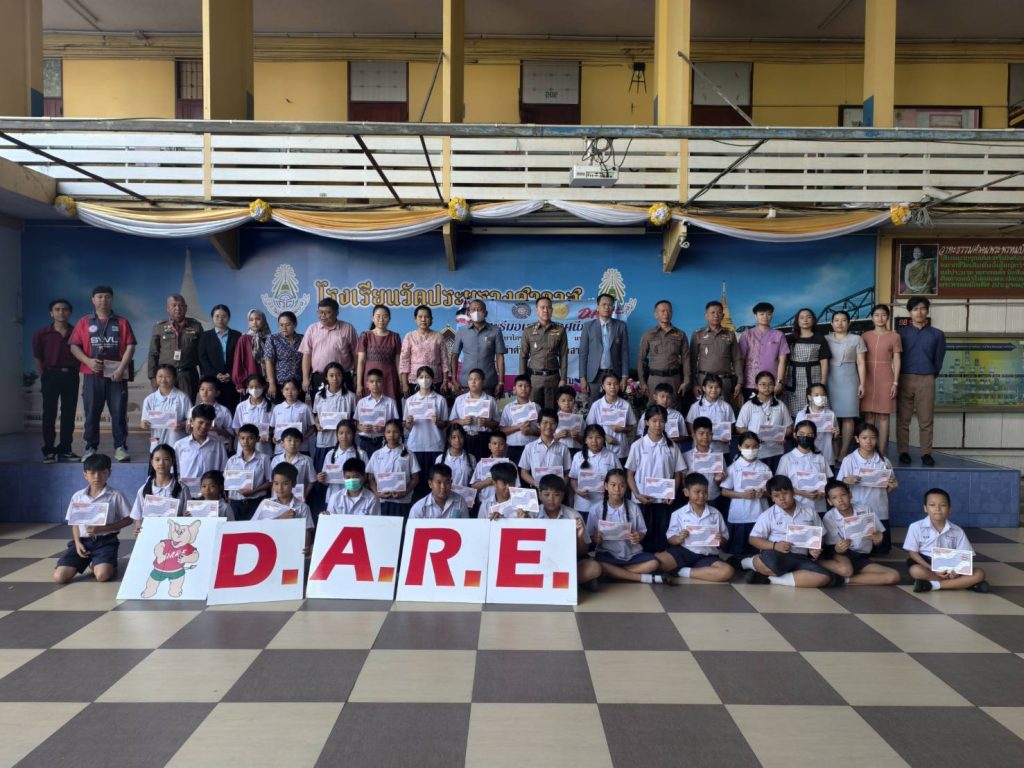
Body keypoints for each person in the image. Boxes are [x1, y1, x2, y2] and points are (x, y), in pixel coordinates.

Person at [69, 286, 137, 464]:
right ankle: (90, 447)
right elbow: (74, 346)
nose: (103, 300)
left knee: (119, 413)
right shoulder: (84, 322)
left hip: (117, 376)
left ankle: (120, 447)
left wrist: (121, 368)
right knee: (91, 413)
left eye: (107, 297)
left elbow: (130, 346)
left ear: (112, 299)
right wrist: (88, 361)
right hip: (92, 375)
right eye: (99, 297)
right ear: (93, 300)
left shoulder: (121, 322)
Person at [737, 475, 841, 588]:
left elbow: (821, 536)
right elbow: (753, 539)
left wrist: (815, 548)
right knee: (771, 563)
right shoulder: (768, 515)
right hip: (776, 555)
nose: (782, 498)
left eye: (785, 493)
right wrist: (775, 546)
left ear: (793, 492)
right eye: (776, 496)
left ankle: (770, 579)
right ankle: (749, 562)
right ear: (772, 498)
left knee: (824, 577)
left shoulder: (809, 511)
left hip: (801, 557)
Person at [53, 453, 132, 584]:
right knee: (59, 577)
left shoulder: (115, 495)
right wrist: (77, 543)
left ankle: (105, 563)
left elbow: (129, 519)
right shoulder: (78, 496)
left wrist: (102, 529)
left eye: (102, 472)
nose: (97, 476)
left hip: (106, 541)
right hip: (83, 542)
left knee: (102, 576)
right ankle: (92, 561)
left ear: (109, 473)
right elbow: (75, 524)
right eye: (92, 472)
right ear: (85, 475)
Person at [587, 468, 670, 584]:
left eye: (621, 485)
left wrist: (638, 536)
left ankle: (613, 573)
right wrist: (595, 539)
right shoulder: (595, 510)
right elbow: (589, 537)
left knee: (654, 563)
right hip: (608, 554)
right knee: (598, 564)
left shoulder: (633, 508)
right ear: (606, 486)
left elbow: (642, 531)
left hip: (631, 554)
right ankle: (640, 577)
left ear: (626, 487)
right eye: (613, 485)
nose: (617, 489)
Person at [625, 404, 687, 553]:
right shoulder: (637, 445)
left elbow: (677, 474)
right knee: (643, 536)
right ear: (647, 422)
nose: (658, 425)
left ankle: (661, 562)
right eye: (654, 421)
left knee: (661, 535)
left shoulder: (672, 446)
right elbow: (629, 474)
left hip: (663, 501)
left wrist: (672, 493)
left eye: (662, 421)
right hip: (642, 499)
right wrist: (637, 495)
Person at [905, 488, 989, 593]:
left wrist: (957, 571)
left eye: (943, 505)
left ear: (950, 509)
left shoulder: (957, 531)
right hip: (926, 563)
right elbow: (912, 553)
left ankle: (932, 585)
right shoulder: (915, 527)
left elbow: (965, 555)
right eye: (932, 505)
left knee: (980, 573)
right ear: (925, 508)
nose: (937, 509)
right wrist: (931, 568)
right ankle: (963, 584)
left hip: (951, 565)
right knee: (916, 571)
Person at [656, 473, 734, 582]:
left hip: (707, 555)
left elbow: (725, 539)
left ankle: (681, 571)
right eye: (697, 492)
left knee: (726, 571)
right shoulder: (678, 514)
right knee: (654, 563)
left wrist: (721, 539)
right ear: (686, 492)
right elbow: (670, 538)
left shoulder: (715, 513)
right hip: (684, 552)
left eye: (705, 492)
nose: (701, 495)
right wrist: (679, 538)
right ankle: (698, 571)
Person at [821, 479, 900, 586]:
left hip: (861, 556)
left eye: (843, 495)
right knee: (846, 570)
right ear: (829, 501)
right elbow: (831, 547)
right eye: (834, 498)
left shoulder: (865, 510)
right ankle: (817, 563)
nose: (840, 500)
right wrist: (838, 548)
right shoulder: (829, 517)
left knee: (894, 576)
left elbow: (877, 536)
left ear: (850, 495)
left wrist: (878, 540)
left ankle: (843, 580)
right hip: (841, 555)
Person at [897, 296, 946, 466]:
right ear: (909, 312)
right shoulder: (900, 334)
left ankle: (926, 453)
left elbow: (939, 359)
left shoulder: (937, 334)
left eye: (923, 308)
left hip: (927, 378)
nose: (919, 312)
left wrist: (931, 375)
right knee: (903, 419)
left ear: (927, 311)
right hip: (904, 378)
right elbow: (896, 358)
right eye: (915, 309)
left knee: (926, 419)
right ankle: (903, 451)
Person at [837, 422, 898, 555]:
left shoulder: (884, 461)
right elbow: (838, 486)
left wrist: (892, 486)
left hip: (879, 509)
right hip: (858, 509)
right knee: (860, 549)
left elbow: (888, 487)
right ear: (857, 439)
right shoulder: (849, 460)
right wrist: (846, 480)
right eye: (864, 438)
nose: (869, 441)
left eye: (873, 438)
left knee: (881, 551)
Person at [535, 474, 603, 591]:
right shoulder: (531, 515)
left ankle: (550, 583)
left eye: (556, 495)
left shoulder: (574, 516)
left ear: (563, 496)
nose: (551, 499)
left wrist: (579, 535)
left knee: (594, 567)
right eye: (547, 495)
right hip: (539, 563)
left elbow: (583, 553)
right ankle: (571, 583)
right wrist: (520, 521)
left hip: (566, 563)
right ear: (540, 495)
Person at [32, 297, 80, 463]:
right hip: (50, 375)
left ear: (70, 313)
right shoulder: (41, 334)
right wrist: (44, 376)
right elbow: (38, 358)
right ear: (51, 313)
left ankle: (65, 449)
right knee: (49, 413)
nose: (61, 312)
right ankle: (49, 450)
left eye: (65, 309)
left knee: (69, 414)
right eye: (57, 309)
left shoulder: (76, 332)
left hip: (71, 376)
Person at [825, 310, 867, 461]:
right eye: (836, 320)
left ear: (849, 323)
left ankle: (844, 452)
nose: (840, 323)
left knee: (849, 416)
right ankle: (834, 451)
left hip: (850, 379)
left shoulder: (857, 339)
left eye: (843, 320)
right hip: (830, 377)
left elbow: (861, 362)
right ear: (831, 323)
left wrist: (862, 383)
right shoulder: (826, 338)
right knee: (832, 417)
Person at [719, 431, 770, 555]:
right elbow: (724, 492)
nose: (751, 450)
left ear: (759, 447)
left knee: (757, 551)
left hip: (760, 514)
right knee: (738, 551)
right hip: (740, 515)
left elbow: (771, 493)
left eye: (754, 446)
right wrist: (742, 495)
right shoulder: (733, 468)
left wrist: (763, 494)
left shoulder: (764, 468)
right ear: (739, 447)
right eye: (747, 446)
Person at [860, 303, 902, 453]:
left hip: (886, 379)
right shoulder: (865, 336)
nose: (880, 318)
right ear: (872, 318)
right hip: (868, 379)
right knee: (869, 415)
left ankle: (882, 453)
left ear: (888, 317)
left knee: (884, 415)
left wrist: (895, 382)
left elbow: (896, 359)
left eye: (883, 315)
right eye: (877, 315)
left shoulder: (894, 336)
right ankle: (868, 450)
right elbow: (860, 359)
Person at [404, 366, 449, 499]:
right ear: (416, 380)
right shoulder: (410, 401)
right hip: (416, 446)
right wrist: (409, 423)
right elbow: (407, 427)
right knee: (418, 484)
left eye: (427, 377)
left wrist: (438, 421)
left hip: (435, 445)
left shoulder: (440, 399)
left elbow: (445, 424)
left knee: (435, 482)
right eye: (421, 377)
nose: (424, 380)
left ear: (433, 379)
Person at [148, 293, 204, 401]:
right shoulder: (159, 327)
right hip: (165, 375)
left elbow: (202, 353)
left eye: (181, 305)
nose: (178, 308)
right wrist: (152, 377)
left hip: (188, 375)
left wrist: (203, 375)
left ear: (186, 308)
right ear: (167, 308)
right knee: (165, 406)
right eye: (174, 305)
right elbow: (153, 353)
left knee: (187, 406)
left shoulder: (196, 326)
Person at [637, 299, 691, 409]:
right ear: (655, 314)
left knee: (673, 409)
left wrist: (686, 381)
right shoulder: (648, 335)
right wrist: (642, 382)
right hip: (654, 379)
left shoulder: (680, 334)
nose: (666, 313)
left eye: (669, 311)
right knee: (653, 410)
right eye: (663, 311)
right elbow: (641, 359)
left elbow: (686, 359)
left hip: (674, 379)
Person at [734, 371, 792, 472]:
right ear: (756, 386)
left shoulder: (781, 405)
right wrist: (755, 437)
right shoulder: (748, 406)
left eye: (770, 384)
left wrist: (782, 435)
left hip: (776, 451)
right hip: (756, 452)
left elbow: (789, 428)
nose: (767, 387)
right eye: (763, 384)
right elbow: (739, 428)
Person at [300, 297, 358, 398]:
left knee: (345, 406)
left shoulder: (348, 328)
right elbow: (307, 355)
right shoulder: (312, 329)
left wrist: (356, 375)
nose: (323, 316)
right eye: (320, 312)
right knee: (319, 406)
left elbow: (356, 354)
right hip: (319, 377)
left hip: (342, 377)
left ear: (336, 313)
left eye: (327, 312)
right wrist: (305, 378)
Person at [578, 293, 630, 407]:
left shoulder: (621, 326)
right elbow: (583, 354)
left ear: (613, 308)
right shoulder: (588, 327)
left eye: (610, 305)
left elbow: (624, 353)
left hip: (614, 374)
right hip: (595, 376)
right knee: (594, 407)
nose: (607, 307)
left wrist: (624, 376)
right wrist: (582, 378)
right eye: (604, 304)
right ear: (598, 307)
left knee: (615, 407)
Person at [519, 296, 569, 410]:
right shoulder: (528, 330)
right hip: (534, 379)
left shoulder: (560, 330)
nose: (546, 310)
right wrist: (522, 380)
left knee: (552, 413)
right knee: (534, 412)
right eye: (542, 307)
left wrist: (563, 379)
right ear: (536, 311)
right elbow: (523, 356)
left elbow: (563, 356)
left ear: (552, 310)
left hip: (553, 379)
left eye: (548, 307)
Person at [253, 462, 313, 555]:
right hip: (268, 550)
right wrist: (280, 519)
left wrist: (306, 546)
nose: (280, 488)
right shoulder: (266, 503)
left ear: (294, 484)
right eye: (276, 483)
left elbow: (307, 531)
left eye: (285, 484)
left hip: (291, 551)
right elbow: (253, 526)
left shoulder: (303, 507)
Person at [776, 420, 833, 514]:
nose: (806, 437)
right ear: (795, 435)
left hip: (818, 507)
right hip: (795, 507)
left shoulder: (820, 458)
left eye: (810, 434)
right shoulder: (786, 458)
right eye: (802, 434)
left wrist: (822, 492)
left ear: (814, 436)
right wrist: (802, 493)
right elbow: (780, 485)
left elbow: (827, 482)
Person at [691, 301, 743, 403]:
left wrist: (740, 382)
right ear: (706, 315)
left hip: (724, 382)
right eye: (713, 313)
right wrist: (694, 383)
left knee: (724, 410)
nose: (716, 315)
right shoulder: (698, 334)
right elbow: (692, 361)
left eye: (719, 313)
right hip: (703, 381)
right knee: (703, 411)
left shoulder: (730, 334)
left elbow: (737, 359)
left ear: (723, 315)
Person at [452, 299, 506, 397]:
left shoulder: (495, 331)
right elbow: (454, 355)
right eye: (473, 310)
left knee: (488, 407)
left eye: (479, 309)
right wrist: (454, 380)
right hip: (466, 383)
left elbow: (500, 357)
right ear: (469, 313)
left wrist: (501, 382)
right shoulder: (461, 331)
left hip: (488, 382)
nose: (476, 312)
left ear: (486, 313)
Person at [366, 419, 420, 517]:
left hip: (403, 501)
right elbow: (370, 478)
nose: (391, 435)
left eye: (395, 432)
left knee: (401, 525)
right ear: (384, 434)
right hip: (382, 501)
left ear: (401, 433)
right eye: (388, 432)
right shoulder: (377, 454)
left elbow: (415, 478)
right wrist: (378, 494)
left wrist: (405, 493)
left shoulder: (409, 454)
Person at [129, 444, 189, 533]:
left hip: (175, 536)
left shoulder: (182, 488)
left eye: (166, 459)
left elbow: (188, 516)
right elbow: (138, 518)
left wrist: (185, 518)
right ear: (152, 462)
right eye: (157, 459)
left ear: (173, 461)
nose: (161, 463)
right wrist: (138, 531)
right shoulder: (143, 489)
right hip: (151, 535)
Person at [782, 307, 830, 418]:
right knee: (793, 412)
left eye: (808, 317)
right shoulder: (790, 339)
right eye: (802, 317)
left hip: (814, 377)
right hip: (793, 378)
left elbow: (824, 361)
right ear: (797, 321)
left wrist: (823, 382)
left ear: (813, 320)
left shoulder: (820, 339)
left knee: (817, 409)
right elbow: (784, 361)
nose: (805, 320)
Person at [568, 424, 621, 522]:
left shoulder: (611, 456)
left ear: (604, 439)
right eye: (590, 438)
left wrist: (610, 489)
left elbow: (620, 478)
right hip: (583, 505)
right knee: (583, 530)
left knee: (602, 531)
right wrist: (577, 490)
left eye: (598, 437)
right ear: (585, 440)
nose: (594, 441)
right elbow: (573, 478)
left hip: (606, 504)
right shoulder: (578, 456)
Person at [738, 302, 789, 399]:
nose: (765, 317)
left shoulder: (779, 335)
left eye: (769, 314)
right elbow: (741, 360)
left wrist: (779, 382)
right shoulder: (747, 335)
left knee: (773, 408)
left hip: (772, 383)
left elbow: (782, 361)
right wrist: (739, 382)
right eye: (762, 314)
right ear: (755, 316)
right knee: (751, 407)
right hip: (750, 383)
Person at [399, 304, 450, 396]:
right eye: (420, 317)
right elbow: (404, 361)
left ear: (431, 319)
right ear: (415, 319)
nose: (423, 319)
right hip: (414, 380)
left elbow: (445, 360)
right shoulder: (409, 336)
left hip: (435, 380)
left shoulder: (438, 336)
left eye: (426, 317)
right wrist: (405, 384)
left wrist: (445, 381)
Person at [449, 368, 500, 460]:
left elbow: (497, 422)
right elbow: (452, 421)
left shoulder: (490, 400)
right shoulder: (460, 400)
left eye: (476, 379)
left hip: (484, 438)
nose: (473, 382)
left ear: (483, 382)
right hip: (465, 437)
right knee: (466, 463)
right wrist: (463, 422)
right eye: (470, 379)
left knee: (483, 463)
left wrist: (487, 423)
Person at [585, 371, 636, 462]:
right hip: (601, 448)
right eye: (609, 384)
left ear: (619, 386)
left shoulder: (625, 405)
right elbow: (590, 427)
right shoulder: (596, 405)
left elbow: (631, 427)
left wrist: (622, 429)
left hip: (621, 450)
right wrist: (604, 437)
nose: (612, 387)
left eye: (615, 384)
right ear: (603, 386)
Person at [225, 423, 272, 521]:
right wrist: (230, 502)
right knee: (237, 528)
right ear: (238, 439)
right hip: (236, 502)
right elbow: (229, 484)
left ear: (257, 439)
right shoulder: (232, 460)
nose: (246, 442)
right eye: (242, 438)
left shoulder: (264, 459)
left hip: (256, 501)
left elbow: (270, 481)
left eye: (250, 438)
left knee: (255, 528)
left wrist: (254, 491)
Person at [140, 364, 192, 452]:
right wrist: (144, 424)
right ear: (155, 378)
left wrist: (183, 425)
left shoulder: (183, 397)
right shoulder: (149, 399)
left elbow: (191, 420)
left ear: (174, 378)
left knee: (176, 458)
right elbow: (143, 422)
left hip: (177, 441)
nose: (163, 380)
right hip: (157, 441)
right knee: (158, 458)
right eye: (160, 376)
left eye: (168, 376)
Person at [197, 304, 240, 411]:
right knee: (210, 411)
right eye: (217, 316)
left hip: (231, 380)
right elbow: (202, 358)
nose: (220, 319)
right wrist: (215, 374)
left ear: (228, 318)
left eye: (223, 316)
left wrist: (230, 373)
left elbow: (240, 358)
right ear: (212, 317)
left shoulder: (237, 335)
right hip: (212, 381)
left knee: (231, 410)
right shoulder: (205, 336)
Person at [318, 420, 368, 511]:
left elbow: (366, 477)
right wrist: (321, 479)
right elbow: (326, 481)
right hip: (333, 496)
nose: (344, 436)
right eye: (341, 433)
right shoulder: (330, 454)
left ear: (354, 434)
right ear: (336, 435)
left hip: (356, 497)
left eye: (348, 433)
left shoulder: (361, 454)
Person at [356, 304, 401, 400]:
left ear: (389, 319)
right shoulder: (365, 336)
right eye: (378, 316)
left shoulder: (395, 337)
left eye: (385, 316)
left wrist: (401, 382)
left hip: (389, 378)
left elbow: (398, 362)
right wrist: (359, 384)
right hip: (370, 378)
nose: (381, 319)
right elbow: (361, 361)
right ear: (372, 318)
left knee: (390, 405)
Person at [684, 417, 728, 515]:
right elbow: (683, 482)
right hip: (693, 501)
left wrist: (718, 480)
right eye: (701, 433)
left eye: (708, 433)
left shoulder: (718, 456)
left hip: (713, 498)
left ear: (712, 435)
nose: (705, 437)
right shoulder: (686, 456)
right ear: (694, 435)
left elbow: (722, 484)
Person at [174, 404, 226, 488]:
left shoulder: (218, 444)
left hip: (211, 491)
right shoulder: (180, 445)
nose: (204, 427)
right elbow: (175, 471)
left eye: (208, 424)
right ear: (192, 421)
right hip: (187, 490)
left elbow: (223, 469)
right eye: (200, 422)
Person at [519, 408, 572, 489]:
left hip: (557, 491)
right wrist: (536, 484)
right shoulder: (529, 447)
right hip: (537, 489)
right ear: (538, 424)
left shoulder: (563, 448)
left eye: (552, 423)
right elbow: (524, 472)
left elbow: (567, 473)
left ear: (556, 425)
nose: (548, 426)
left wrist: (560, 487)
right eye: (545, 422)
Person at [686, 374, 735, 455]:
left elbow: (731, 425)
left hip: (721, 450)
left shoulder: (726, 407)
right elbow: (691, 425)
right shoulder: (696, 406)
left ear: (721, 389)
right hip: (700, 449)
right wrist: (697, 438)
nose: (714, 390)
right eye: (710, 387)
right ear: (704, 388)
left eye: (717, 387)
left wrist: (727, 436)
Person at [356, 369, 400, 457]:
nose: (375, 384)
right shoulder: (361, 402)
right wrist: (361, 427)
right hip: (365, 441)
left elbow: (396, 424)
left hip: (383, 441)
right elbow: (356, 423)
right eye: (371, 381)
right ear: (367, 384)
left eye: (378, 381)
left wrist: (384, 429)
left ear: (383, 383)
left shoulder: (390, 402)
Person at [793, 383, 838, 468]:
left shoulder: (831, 414)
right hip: (807, 457)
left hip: (827, 456)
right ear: (809, 397)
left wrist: (835, 435)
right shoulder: (802, 414)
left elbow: (834, 438)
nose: (820, 397)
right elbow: (796, 436)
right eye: (816, 395)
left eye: (823, 395)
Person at [263, 311, 304, 402]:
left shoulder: (302, 339)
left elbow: (306, 360)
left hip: (298, 384)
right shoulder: (272, 339)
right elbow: (268, 362)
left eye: (288, 324)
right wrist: (272, 383)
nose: (284, 328)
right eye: (281, 325)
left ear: (295, 324)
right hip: (279, 384)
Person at [499, 374, 540, 465]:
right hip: (513, 447)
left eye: (527, 386)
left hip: (532, 448)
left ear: (531, 389)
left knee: (530, 471)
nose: (523, 388)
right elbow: (502, 430)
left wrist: (532, 432)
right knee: (513, 472)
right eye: (520, 386)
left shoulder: (536, 407)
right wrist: (518, 427)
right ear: (514, 389)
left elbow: (542, 431)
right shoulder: (508, 407)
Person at [231, 309, 271, 397]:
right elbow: (238, 362)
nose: (254, 322)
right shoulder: (244, 339)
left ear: (263, 320)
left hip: (268, 382)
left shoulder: (270, 338)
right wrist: (240, 384)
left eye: (258, 319)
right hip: (250, 383)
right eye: (251, 320)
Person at [232, 373, 273, 457]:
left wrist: (267, 435)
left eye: (257, 387)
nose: (254, 389)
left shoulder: (271, 407)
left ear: (263, 387)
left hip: (263, 447)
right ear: (247, 387)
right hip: (244, 447)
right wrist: (243, 438)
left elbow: (274, 426)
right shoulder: (241, 406)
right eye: (251, 387)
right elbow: (236, 426)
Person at [271, 378, 316, 454]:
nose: (289, 392)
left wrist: (303, 437)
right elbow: (274, 427)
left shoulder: (305, 408)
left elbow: (312, 427)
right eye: (286, 389)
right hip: (281, 449)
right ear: (282, 391)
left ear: (299, 391)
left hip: (301, 448)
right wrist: (274, 437)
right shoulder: (277, 408)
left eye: (293, 389)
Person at [196, 376, 235, 455]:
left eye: (209, 390)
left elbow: (231, 433)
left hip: (219, 448)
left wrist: (218, 430)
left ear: (217, 393)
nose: (205, 392)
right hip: (199, 447)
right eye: (202, 389)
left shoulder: (224, 411)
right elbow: (189, 430)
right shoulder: (193, 410)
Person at [436, 424, 476, 488]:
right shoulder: (440, 459)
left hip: (466, 494)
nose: (457, 440)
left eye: (460, 437)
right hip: (447, 493)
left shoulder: (471, 458)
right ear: (449, 439)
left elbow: (474, 482)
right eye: (454, 437)